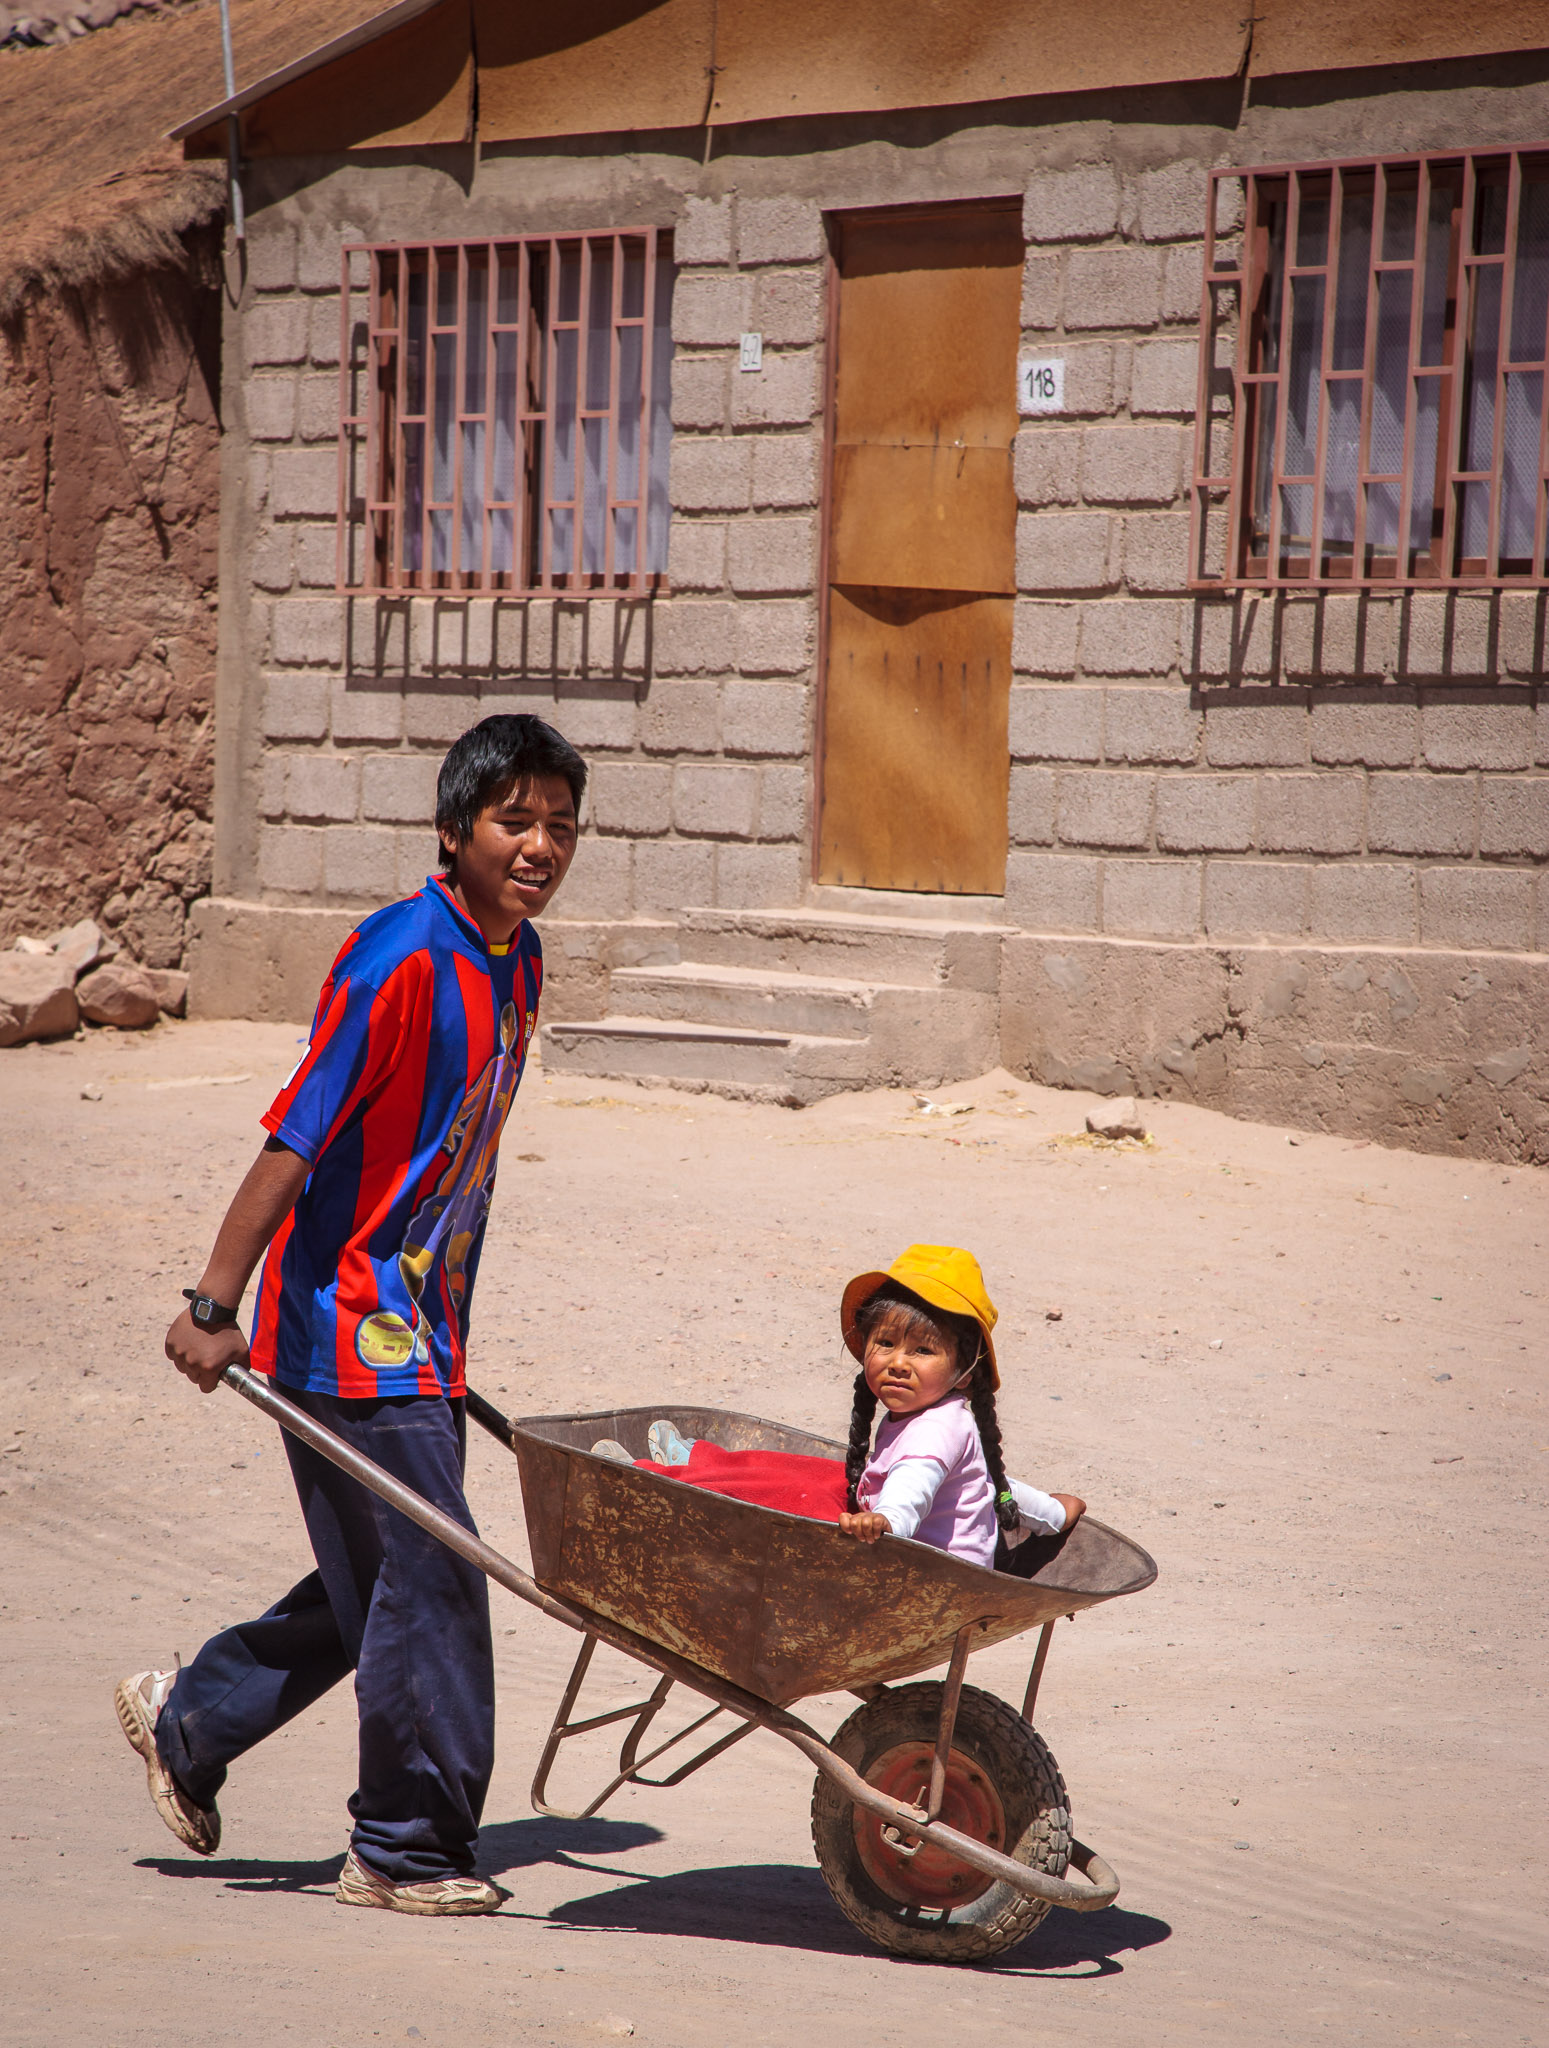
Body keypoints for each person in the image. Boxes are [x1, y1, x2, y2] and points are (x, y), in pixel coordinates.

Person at [114, 714, 584, 1916]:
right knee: (430, 1574)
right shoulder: (399, 958)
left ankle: (192, 1715)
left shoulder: (518, 960)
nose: (540, 844)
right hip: (343, 1321)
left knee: (378, 1572)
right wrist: (214, 1302)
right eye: (513, 820)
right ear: (451, 832)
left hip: (421, 1320)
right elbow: (296, 1136)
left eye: (560, 823)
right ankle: (405, 1847)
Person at [835, 1244, 1086, 1570]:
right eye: (886, 1343)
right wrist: (1053, 1514)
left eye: (923, 1350)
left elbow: (914, 1486)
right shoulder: (931, 1416)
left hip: (942, 1582)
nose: (898, 1362)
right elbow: (982, 1484)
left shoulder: (934, 1430)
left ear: (965, 1373)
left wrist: (887, 1519)